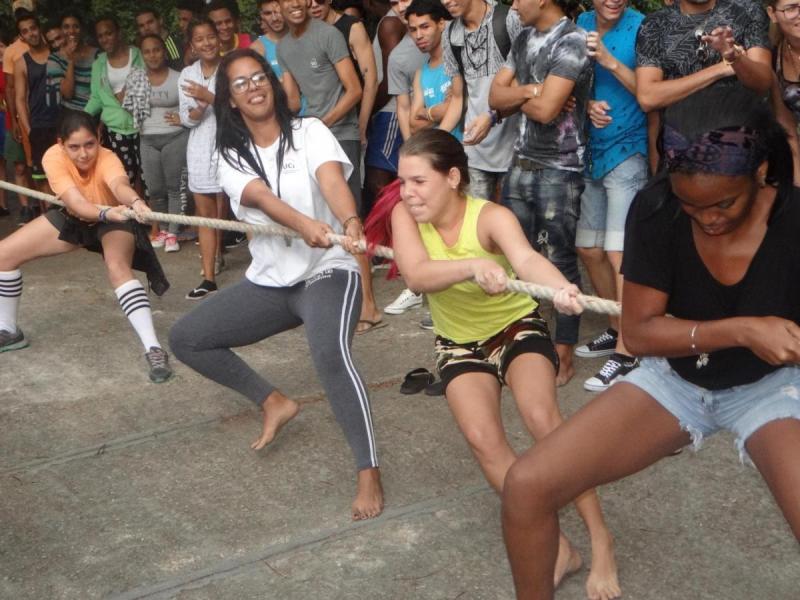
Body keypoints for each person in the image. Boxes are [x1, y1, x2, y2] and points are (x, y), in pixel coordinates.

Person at [501, 86, 800, 600]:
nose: (707, 218)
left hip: (773, 387)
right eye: (691, 205)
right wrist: (745, 329)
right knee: (527, 487)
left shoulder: (793, 218)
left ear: (758, 172)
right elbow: (638, 333)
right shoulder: (657, 208)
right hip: (677, 379)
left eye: (723, 203)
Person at [387, 129, 619, 600]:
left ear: (452, 177)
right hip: (457, 342)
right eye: (402, 182)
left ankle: (601, 541)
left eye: (417, 181)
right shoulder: (404, 216)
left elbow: (526, 259)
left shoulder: (489, 216)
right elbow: (416, 274)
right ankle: (557, 547)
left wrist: (560, 289)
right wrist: (472, 266)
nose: (406, 193)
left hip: (514, 328)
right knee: (483, 441)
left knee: (542, 421)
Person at [169, 49, 384, 520]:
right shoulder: (228, 154)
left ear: (273, 83)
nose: (253, 87)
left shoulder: (310, 131)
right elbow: (262, 199)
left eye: (258, 77)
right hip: (271, 281)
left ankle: (368, 469)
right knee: (187, 338)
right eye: (240, 84)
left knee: (330, 353)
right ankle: (274, 401)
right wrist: (304, 222)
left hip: (328, 268)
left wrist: (348, 219)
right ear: (230, 101)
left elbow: (331, 179)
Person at [0, 110, 172, 383]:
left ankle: (154, 348)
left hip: (115, 218)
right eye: (74, 147)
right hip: (78, 215)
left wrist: (136, 202)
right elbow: (76, 203)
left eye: (89, 144)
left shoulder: (108, 158)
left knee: (117, 267)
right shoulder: (52, 157)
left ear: (99, 138)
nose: (83, 154)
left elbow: (119, 185)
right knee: (3, 255)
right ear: (61, 144)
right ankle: (9, 330)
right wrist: (104, 213)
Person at [489, 0, 592, 386]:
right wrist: (534, 89)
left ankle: (564, 353)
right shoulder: (522, 38)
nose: (513, 6)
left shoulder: (572, 40)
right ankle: (529, 348)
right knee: (518, 259)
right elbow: (494, 99)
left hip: (560, 169)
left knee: (560, 262)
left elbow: (549, 110)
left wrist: (520, 96)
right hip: (520, 164)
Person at [278, 0, 383, 334]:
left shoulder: (329, 34)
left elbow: (354, 89)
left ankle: (369, 305)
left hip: (341, 134)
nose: (295, 4)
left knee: (348, 218)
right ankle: (335, 300)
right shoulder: (282, 47)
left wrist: (320, 125)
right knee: (321, 219)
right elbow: (293, 101)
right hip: (311, 133)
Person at [572, 0, 649, 392]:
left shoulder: (642, 27)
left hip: (630, 149)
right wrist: (586, 104)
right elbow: (576, 82)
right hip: (594, 151)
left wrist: (610, 60)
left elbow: (651, 93)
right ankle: (616, 323)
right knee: (589, 248)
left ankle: (628, 349)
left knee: (620, 252)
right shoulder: (581, 22)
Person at [441, 0, 522, 202]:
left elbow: (528, 81)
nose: (445, 1)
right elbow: (458, 97)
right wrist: (434, 138)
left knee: (513, 229)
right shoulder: (450, 33)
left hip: (517, 151)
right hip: (474, 152)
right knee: (475, 228)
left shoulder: (508, 19)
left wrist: (493, 116)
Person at [179, 19, 226, 299]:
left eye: (211, 37)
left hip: (232, 146)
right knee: (205, 215)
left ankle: (259, 274)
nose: (207, 43)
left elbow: (238, 107)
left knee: (246, 211)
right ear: (192, 45)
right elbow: (187, 119)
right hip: (199, 148)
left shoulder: (232, 67)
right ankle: (208, 277)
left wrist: (207, 95)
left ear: (219, 39)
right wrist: (200, 106)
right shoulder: (187, 73)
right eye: (200, 39)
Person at [137, 34, 189, 254]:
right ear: (142, 55)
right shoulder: (137, 78)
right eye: (147, 51)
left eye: (157, 49)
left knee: (174, 188)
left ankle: (173, 233)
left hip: (174, 137)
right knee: (155, 189)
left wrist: (182, 117)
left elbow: (190, 106)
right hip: (147, 138)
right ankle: (164, 229)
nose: (153, 55)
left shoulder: (179, 77)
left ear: (164, 51)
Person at [85, 16, 144, 189]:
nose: (105, 39)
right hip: (116, 130)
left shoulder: (138, 55)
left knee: (148, 178)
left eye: (109, 33)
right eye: (101, 36)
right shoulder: (99, 64)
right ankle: (132, 216)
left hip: (144, 127)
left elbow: (151, 85)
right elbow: (96, 98)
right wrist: (80, 118)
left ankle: (152, 216)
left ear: (118, 33)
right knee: (126, 178)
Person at [310, 0, 379, 147]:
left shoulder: (352, 27)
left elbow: (371, 81)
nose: (314, 4)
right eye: (308, 1)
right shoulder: (304, 32)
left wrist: (361, 126)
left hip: (349, 123)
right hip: (315, 122)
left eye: (319, 0)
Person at [14, 16, 61, 199]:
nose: (30, 33)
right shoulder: (21, 63)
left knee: (68, 172)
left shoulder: (57, 53)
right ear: (21, 36)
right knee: (43, 177)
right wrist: (29, 129)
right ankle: (53, 219)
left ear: (39, 29)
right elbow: (19, 99)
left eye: (32, 28)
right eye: (25, 31)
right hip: (39, 126)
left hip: (63, 123)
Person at [407, 0, 461, 139]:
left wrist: (425, 112)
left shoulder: (460, 58)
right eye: (413, 30)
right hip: (439, 152)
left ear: (441, 24)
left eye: (425, 27)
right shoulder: (421, 74)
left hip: (467, 149)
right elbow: (413, 126)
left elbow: (460, 105)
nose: (418, 35)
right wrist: (440, 111)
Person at [4, 10, 33, 226]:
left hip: (43, 114)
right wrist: (14, 119)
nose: (30, 32)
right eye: (25, 29)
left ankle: (47, 207)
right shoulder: (11, 52)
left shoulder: (44, 48)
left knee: (42, 167)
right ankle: (26, 207)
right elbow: (10, 89)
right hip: (18, 117)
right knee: (21, 166)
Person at [47, 11, 99, 112]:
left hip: (94, 113)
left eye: (76, 26)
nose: (71, 31)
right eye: (66, 27)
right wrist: (71, 61)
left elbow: (102, 91)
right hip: (70, 114)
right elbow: (67, 94)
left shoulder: (97, 55)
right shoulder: (54, 59)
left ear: (82, 29)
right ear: (61, 30)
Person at [135, 7, 186, 71]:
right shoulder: (138, 49)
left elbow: (180, 71)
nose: (146, 28)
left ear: (160, 21)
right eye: (141, 26)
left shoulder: (173, 44)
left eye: (150, 22)